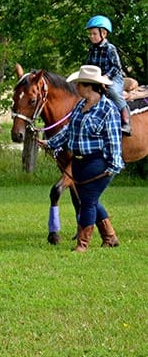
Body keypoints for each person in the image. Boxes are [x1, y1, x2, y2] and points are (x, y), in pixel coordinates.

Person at [37, 65, 124, 252]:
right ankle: (110, 237)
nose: (76, 87)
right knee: (91, 200)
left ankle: (82, 245)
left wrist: (114, 165)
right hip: (78, 163)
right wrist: (50, 143)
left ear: (90, 86)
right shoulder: (79, 105)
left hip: (98, 163)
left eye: (79, 84)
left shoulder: (108, 109)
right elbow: (69, 131)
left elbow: (114, 140)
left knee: (87, 202)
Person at [85, 15, 131, 135]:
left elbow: (117, 67)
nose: (91, 36)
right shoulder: (91, 49)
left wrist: (106, 77)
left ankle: (126, 122)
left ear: (104, 33)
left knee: (113, 92)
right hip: (96, 78)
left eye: (94, 34)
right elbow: (89, 65)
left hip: (112, 78)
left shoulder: (110, 48)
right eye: (90, 34)